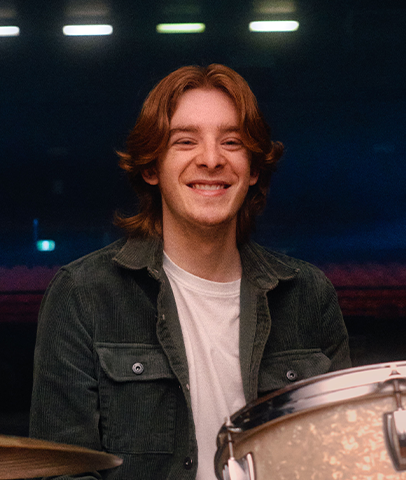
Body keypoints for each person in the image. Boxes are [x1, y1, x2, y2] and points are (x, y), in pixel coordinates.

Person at [29, 63, 351, 480]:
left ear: (253, 170)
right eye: (185, 141)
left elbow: (346, 453)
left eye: (232, 142)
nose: (212, 160)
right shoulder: (83, 294)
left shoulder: (309, 294)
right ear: (151, 168)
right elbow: (63, 471)